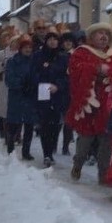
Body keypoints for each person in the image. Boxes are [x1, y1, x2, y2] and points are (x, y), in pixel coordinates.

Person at [66, 22, 112, 184]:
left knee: (106, 142)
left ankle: (103, 174)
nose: (104, 37)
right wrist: (96, 69)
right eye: (100, 33)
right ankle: (78, 164)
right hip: (89, 102)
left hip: (108, 104)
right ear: (91, 36)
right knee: (85, 140)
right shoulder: (81, 53)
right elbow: (75, 71)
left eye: (106, 34)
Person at [32, 31, 69, 167]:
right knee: (45, 125)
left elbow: (67, 76)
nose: (53, 42)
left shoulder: (63, 57)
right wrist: (43, 84)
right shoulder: (38, 56)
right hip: (43, 93)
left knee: (56, 125)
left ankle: (51, 148)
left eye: (55, 39)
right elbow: (33, 73)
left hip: (58, 95)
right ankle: (47, 154)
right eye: (50, 39)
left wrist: (58, 86)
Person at [4, 34, 38, 160]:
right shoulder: (12, 62)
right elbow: (9, 79)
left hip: (30, 98)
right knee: (13, 124)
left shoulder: (35, 62)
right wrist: (22, 84)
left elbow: (38, 77)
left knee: (29, 126)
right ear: (20, 48)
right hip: (16, 97)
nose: (28, 50)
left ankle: (26, 151)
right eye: (25, 47)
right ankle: (10, 148)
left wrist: (33, 85)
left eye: (30, 47)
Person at [0, 33, 18, 138]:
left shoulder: (21, 53)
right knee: (4, 110)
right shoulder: (2, 54)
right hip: (4, 85)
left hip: (18, 85)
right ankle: (5, 132)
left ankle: (16, 134)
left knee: (16, 111)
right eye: (14, 42)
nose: (16, 44)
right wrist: (2, 65)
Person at [59, 31, 76, 156]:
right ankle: (53, 142)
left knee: (69, 121)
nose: (68, 43)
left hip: (73, 90)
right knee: (57, 121)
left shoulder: (77, 55)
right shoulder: (58, 55)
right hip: (59, 90)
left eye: (70, 41)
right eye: (66, 41)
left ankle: (66, 145)